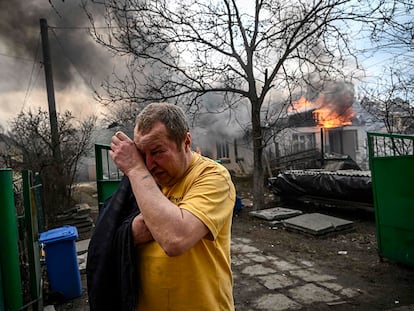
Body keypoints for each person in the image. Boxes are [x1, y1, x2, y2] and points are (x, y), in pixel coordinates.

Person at [109, 102, 236, 310]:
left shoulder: (213, 176)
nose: (149, 164)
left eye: (157, 152)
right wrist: (131, 232)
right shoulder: (146, 179)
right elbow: (110, 231)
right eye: (142, 154)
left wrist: (134, 168)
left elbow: (175, 238)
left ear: (186, 142)